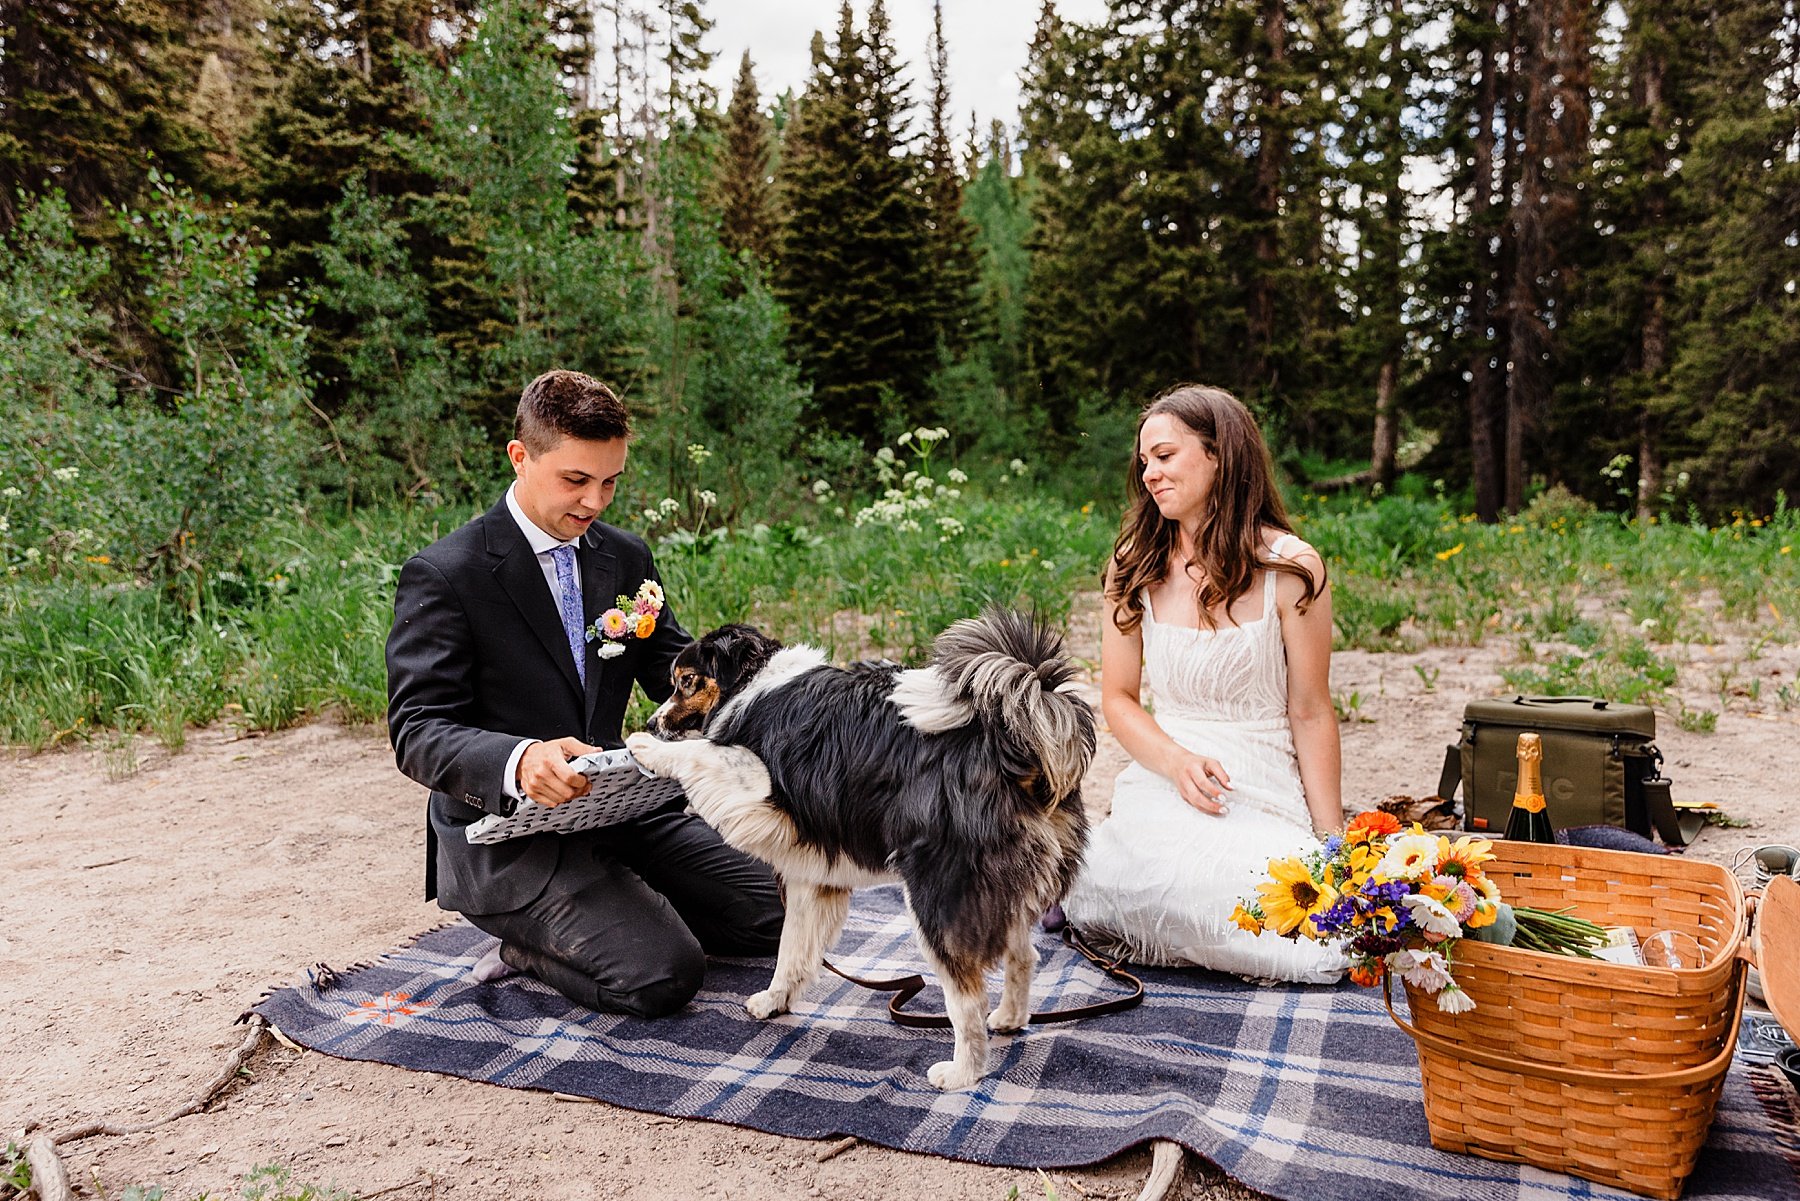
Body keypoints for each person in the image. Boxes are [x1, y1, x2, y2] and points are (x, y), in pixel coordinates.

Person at [385, 369, 783, 1017]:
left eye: (611, 481)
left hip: (617, 808)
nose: (595, 501)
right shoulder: (445, 574)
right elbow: (418, 730)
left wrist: (764, 698)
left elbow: (675, 674)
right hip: (508, 836)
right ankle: (526, 947)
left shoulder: (625, 558)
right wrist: (520, 760)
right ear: (520, 456)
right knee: (663, 975)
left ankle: (628, 906)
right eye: (576, 480)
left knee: (780, 907)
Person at [1062, 384, 1345, 983]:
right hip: (1164, 771)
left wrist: (1333, 843)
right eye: (1144, 462)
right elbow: (1117, 699)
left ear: (1220, 454)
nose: (1150, 475)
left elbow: (1312, 711)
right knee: (1115, 883)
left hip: (1260, 770)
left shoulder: (1291, 569)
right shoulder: (1133, 564)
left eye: (1165, 456)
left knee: (1280, 906)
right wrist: (1174, 761)